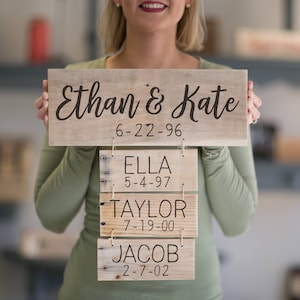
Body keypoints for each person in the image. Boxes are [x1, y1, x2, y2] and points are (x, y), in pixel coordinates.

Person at [34, 1, 262, 299]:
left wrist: (216, 141)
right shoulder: (80, 84)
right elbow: (51, 216)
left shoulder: (218, 88)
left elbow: (238, 221)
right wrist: (82, 140)